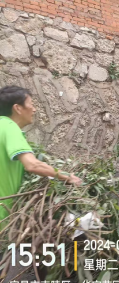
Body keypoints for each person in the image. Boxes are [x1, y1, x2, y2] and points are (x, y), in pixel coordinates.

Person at [0, 86, 82, 230]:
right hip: (3, 219)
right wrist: (67, 176)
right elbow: (32, 165)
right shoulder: (9, 127)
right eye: (31, 104)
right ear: (17, 108)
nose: (34, 109)